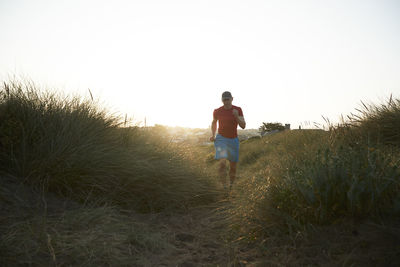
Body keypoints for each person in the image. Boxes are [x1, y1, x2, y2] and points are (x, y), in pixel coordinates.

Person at [210, 91, 246, 190]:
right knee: (222, 164)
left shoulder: (238, 110)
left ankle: (231, 186)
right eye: (224, 100)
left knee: (233, 166)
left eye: (228, 99)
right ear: (222, 100)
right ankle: (224, 187)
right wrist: (213, 135)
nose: (226, 102)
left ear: (232, 99)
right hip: (221, 138)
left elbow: (243, 126)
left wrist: (236, 116)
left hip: (233, 139)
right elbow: (214, 123)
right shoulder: (217, 111)